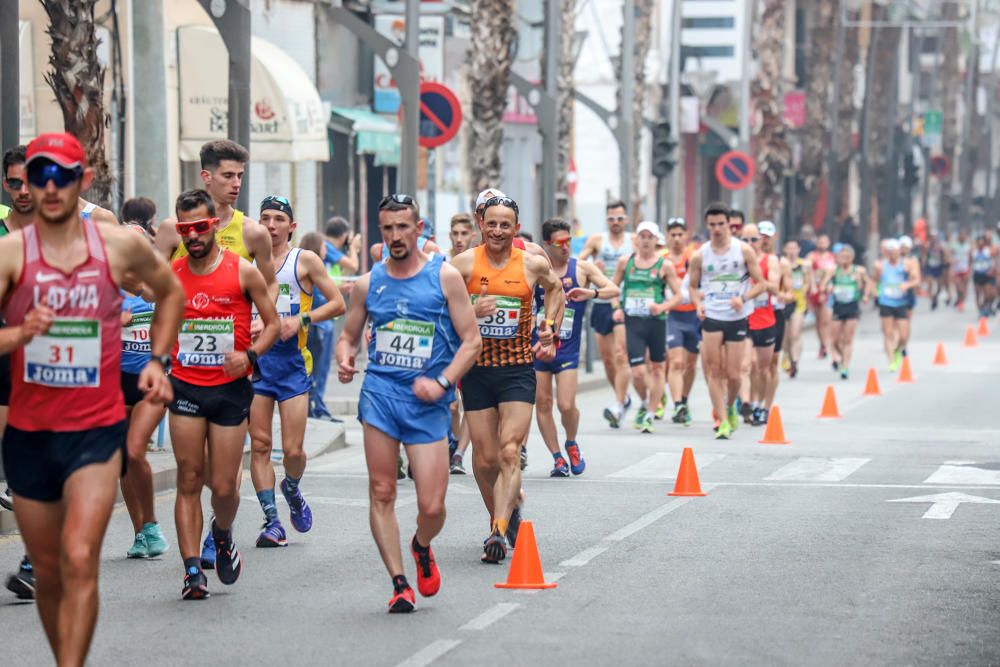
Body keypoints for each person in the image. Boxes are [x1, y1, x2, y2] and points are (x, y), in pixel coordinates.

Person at [0, 132, 184, 665]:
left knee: (80, 557)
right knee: (51, 570)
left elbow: (169, 291)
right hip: (31, 434)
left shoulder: (117, 245)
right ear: (28, 185)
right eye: (40, 176)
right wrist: (18, 335)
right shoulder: (11, 254)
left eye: (63, 176)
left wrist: (156, 360)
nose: (50, 187)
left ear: (82, 181)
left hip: (96, 430)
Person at [335, 194, 480, 612]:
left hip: (429, 402)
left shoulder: (445, 277)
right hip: (381, 396)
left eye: (403, 227)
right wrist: (345, 357)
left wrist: (442, 382)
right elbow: (348, 335)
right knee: (382, 490)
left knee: (431, 506)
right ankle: (399, 583)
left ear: (419, 230)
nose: (396, 236)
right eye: (388, 229)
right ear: (381, 232)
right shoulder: (369, 283)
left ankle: (421, 544)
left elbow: (472, 341)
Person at [167, 189, 280, 600]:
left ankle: (223, 530)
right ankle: (192, 570)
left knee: (224, 488)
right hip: (184, 386)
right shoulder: (173, 274)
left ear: (213, 224)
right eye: (185, 229)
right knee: (189, 478)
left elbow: (271, 324)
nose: (193, 235)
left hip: (231, 389)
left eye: (200, 226)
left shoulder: (242, 272)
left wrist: (248, 354)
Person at [451, 194, 563, 562]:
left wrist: (550, 328)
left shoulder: (531, 264)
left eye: (506, 224)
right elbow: (437, 306)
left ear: (516, 228)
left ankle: (497, 531)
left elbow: (556, 290)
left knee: (509, 450)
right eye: (492, 223)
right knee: (483, 461)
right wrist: (470, 308)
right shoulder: (463, 264)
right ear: (481, 224)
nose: (498, 230)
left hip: (517, 369)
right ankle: (503, 512)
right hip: (478, 371)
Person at [248, 196, 347, 548]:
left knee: (293, 451)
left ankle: (291, 487)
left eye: (278, 219)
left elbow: (338, 303)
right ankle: (272, 521)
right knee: (259, 445)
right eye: (265, 218)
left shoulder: (303, 261)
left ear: (291, 226)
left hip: (292, 366)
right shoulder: (246, 262)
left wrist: (301, 319)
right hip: (257, 365)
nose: (271, 225)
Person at [534, 218, 618, 475]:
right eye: (559, 243)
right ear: (547, 244)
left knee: (566, 405)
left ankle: (571, 442)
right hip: (537, 345)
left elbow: (612, 288)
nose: (565, 247)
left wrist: (590, 293)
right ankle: (557, 457)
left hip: (568, 349)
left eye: (568, 241)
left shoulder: (581, 268)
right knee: (543, 403)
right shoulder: (537, 269)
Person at [687, 202, 766, 440]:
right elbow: (692, 286)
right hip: (712, 315)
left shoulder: (743, 251)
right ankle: (722, 420)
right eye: (712, 225)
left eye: (721, 224)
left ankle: (730, 405)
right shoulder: (700, 255)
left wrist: (743, 298)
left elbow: (761, 284)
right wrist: (698, 305)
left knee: (733, 375)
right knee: (713, 370)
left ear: (729, 225)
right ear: (707, 226)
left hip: (736, 317)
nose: (717, 229)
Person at [118, 213, 171, 560]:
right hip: (115, 381)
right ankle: (140, 534)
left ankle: (151, 523)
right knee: (124, 458)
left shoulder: (156, 287)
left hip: (150, 381)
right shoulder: (105, 286)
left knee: (135, 450)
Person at [155, 140, 276, 291]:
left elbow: (271, 284)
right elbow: (149, 288)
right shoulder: (172, 228)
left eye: (240, 176)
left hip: (233, 314)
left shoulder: (253, 231)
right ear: (206, 177)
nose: (237, 183)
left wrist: (262, 315)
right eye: (228, 176)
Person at [1, 144, 35, 598]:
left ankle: (36, 560)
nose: (24, 191)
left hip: (61, 367)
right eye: (14, 182)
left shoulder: (80, 232)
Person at [611, 221, 681, 433]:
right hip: (633, 322)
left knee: (658, 368)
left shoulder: (664, 265)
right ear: (637, 240)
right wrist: (617, 307)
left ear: (656, 240)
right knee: (639, 372)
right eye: (643, 236)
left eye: (650, 237)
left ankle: (650, 413)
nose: (646, 241)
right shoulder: (626, 263)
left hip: (656, 323)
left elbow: (678, 295)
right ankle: (644, 401)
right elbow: (613, 288)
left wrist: (662, 306)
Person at [578, 200, 633, 427]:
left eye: (620, 218)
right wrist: (594, 269)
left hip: (623, 302)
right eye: (611, 218)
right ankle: (623, 398)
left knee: (621, 355)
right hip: (601, 301)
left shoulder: (635, 241)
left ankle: (618, 406)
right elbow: (578, 262)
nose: (616, 222)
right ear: (606, 219)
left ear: (626, 219)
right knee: (609, 360)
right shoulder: (597, 240)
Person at [306, 217, 358, 421]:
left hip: (322, 324)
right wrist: (354, 247)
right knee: (318, 368)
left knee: (319, 367)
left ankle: (316, 405)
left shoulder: (316, 265)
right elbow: (352, 266)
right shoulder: (326, 249)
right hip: (320, 324)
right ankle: (315, 406)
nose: (325, 250)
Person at [447, 213, 479, 473]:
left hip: (474, 341)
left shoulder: (480, 261)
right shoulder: (444, 263)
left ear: (472, 235)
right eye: (455, 234)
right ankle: (453, 442)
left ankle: (458, 453)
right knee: (451, 403)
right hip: (448, 340)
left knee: (469, 401)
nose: (459, 239)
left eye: (464, 234)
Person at [740, 223, 780, 426]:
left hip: (766, 319)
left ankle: (764, 406)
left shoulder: (770, 260)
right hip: (745, 318)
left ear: (761, 240)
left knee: (764, 368)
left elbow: (775, 286)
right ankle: (749, 403)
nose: (749, 244)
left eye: (753, 240)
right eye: (745, 240)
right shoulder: (738, 261)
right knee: (748, 365)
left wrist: (759, 281)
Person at [663, 217, 700, 425]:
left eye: (680, 234)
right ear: (667, 236)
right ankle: (677, 405)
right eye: (673, 235)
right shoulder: (663, 260)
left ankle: (684, 399)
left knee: (691, 364)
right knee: (676, 362)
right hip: (672, 315)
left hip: (693, 315)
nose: (676, 239)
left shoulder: (694, 257)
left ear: (686, 236)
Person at [820, 244, 869, 380]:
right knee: (835, 340)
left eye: (847, 257)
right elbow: (823, 285)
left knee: (847, 339)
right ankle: (841, 357)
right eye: (842, 257)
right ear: (838, 258)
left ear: (852, 257)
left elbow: (868, 284)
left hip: (852, 307)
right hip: (838, 307)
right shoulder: (833, 271)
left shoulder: (858, 271)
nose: (845, 259)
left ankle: (845, 366)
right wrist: (826, 288)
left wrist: (865, 295)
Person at [872, 239, 920, 371]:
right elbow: (874, 280)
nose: (893, 254)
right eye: (890, 252)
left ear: (899, 251)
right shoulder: (881, 265)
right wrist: (874, 291)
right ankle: (891, 361)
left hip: (901, 302)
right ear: (887, 253)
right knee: (888, 333)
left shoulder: (906, 264)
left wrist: (908, 284)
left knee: (903, 336)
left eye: (895, 252)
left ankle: (899, 349)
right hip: (886, 302)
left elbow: (916, 279)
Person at [781, 240, 812, 378]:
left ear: (799, 249)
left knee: (795, 334)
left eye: (795, 248)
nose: (792, 251)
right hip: (784, 302)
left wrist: (802, 292)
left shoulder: (804, 265)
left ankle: (795, 361)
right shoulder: (781, 264)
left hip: (799, 303)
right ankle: (787, 355)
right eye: (789, 248)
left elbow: (808, 283)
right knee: (785, 336)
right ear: (785, 249)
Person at [807, 234, 836, 359]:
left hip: (828, 290)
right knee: (818, 321)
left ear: (828, 243)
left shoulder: (832, 257)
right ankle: (822, 344)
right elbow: (808, 272)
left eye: (825, 242)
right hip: (815, 290)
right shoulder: (811, 256)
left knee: (826, 320)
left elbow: (835, 272)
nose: (822, 244)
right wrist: (812, 286)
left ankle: (828, 344)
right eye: (820, 242)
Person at [922, 233, 950, 310]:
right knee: (930, 285)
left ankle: (935, 297)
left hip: (939, 268)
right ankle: (932, 301)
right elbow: (924, 257)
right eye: (932, 238)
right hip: (930, 268)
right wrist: (923, 268)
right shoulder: (927, 247)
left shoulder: (940, 247)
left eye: (935, 238)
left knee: (939, 287)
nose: (933, 239)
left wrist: (946, 263)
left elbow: (946, 257)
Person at [972, 234, 997, 318]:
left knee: (987, 294)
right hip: (977, 274)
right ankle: (981, 309)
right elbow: (969, 262)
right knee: (978, 294)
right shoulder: (973, 252)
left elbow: (995, 259)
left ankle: (985, 308)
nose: (980, 244)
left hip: (986, 275)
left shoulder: (989, 250)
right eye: (978, 243)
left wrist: (992, 269)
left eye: (982, 243)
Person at [950, 230, 972, 312]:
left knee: (964, 289)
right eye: (961, 236)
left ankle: (961, 302)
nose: (963, 237)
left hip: (965, 269)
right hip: (957, 270)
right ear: (959, 237)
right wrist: (952, 262)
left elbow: (970, 257)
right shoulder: (955, 245)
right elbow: (950, 255)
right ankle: (960, 300)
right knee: (959, 288)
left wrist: (970, 269)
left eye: (964, 236)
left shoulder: (968, 246)